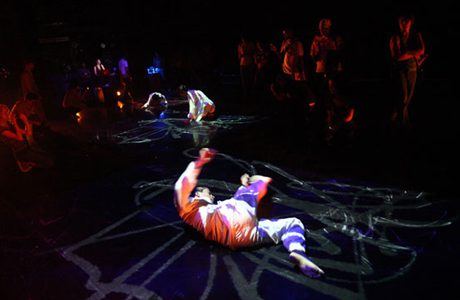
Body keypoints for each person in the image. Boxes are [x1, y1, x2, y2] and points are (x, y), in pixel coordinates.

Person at [174, 148, 325, 278]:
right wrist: (199, 162)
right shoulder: (192, 207)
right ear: (198, 195)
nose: (212, 196)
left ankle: (299, 254)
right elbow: (181, 187)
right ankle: (297, 250)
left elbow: (181, 188)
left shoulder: (191, 214)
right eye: (209, 193)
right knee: (290, 219)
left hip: (238, 240)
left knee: (291, 223)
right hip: (242, 226)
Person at [389, 14, 425, 128]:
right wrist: (414, 52)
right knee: (403, 97)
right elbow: (397, 57)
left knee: (408, 98)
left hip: (413, 70)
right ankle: (404, 125)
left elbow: (422, 50)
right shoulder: (395, 37)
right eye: (402, 22)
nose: (404, 24)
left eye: (406, 21)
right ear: (399, 23)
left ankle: (394, 118)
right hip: (401, 70)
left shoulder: (416, 35)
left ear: (411, 23)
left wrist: (407, 53)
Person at [0, 104, 53, 171]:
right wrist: (15, 123)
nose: (8, 114)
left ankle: (31, 163)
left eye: (8, 111)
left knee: (49, 154)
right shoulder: (2, 130)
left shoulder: (8, 124)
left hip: (27, 147)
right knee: (49, 162)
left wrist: (25, 120)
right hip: (21, 152)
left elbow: (28, 133)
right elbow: (20, 139)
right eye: (5, 112)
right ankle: (29, 164)